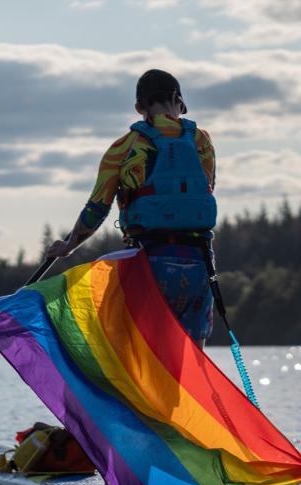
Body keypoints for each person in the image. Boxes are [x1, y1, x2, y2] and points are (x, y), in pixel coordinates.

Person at [46, 69, 216, 348]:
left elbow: (97, 207)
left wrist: (69, 245)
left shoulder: (123, 148)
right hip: (200, 264)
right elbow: (204, 189)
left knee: (132, 356)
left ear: (140, 107)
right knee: (188, 361)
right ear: (177, 99)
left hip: (148, 265)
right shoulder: (202, 142)